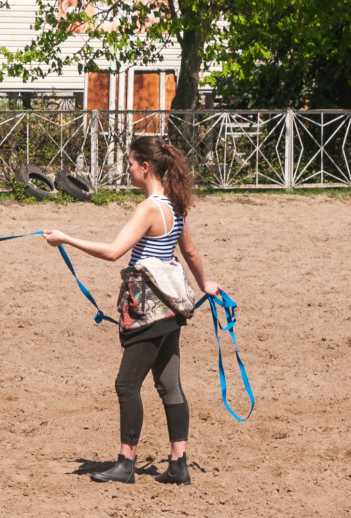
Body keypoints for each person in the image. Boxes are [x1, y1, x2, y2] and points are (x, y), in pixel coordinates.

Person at [42, 136, 221, 486]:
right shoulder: (174, 205)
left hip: (149, 308)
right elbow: (191, 251)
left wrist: (66, 239)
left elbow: (113, 252)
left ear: (146, 167)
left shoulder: (150, 208)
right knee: (170, 384)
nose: (127, 169)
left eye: (130, 163)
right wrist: (204, 284)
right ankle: (178, 463)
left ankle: (126, 463)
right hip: (172, 307)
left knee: (126, 384)